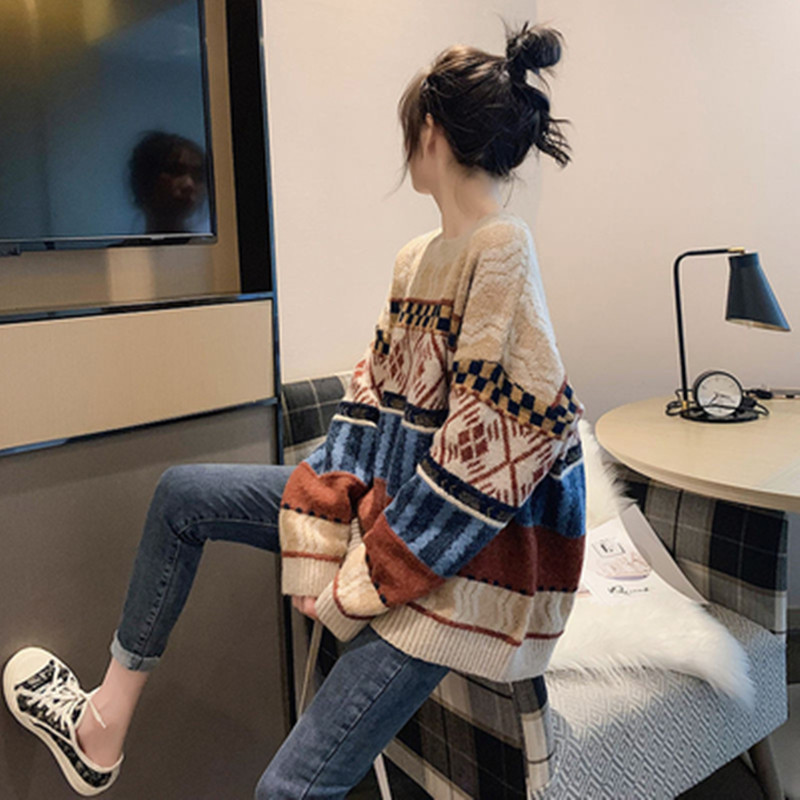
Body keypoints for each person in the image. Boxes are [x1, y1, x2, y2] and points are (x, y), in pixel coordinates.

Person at [2, 22, 586, 799]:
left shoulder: (502, 248)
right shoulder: (418, 259)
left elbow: (496, 454)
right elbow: (370, 406)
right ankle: (102, 724)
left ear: (429, 132)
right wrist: (320, 531)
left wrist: (367, 578)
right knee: (181, 495)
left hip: (468, 572)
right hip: (402, 522)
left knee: (286, 790)